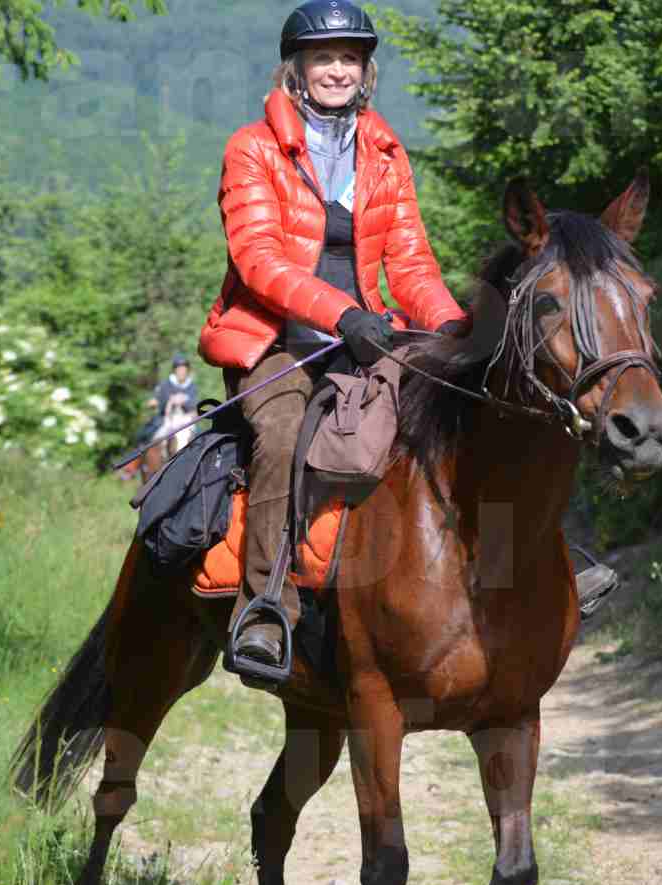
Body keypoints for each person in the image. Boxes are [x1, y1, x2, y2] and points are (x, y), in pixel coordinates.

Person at [198, 0, 469, 675]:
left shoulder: (383, 149)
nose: (338, 69)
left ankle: (520, 573)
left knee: (462, 403)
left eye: (351, 57)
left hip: (368, 336)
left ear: (366, 69)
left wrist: (457, 330)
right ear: (295, 68)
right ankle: (264, 605)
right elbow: (259, 260)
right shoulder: (252, 147)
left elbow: (410, 264)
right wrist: (341, 313)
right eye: (324, 57)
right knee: (286, 429)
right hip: (274, 342)